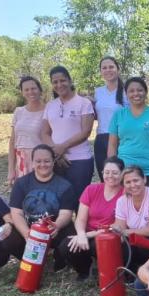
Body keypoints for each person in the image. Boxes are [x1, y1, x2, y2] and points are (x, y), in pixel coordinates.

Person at [2, 144, 76, 269]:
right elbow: (16, 213)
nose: (43, 164)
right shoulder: (21, 184)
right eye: (38, 161)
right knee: (7, 236)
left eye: (47, 161)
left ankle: (59, 257)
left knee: (71, 239)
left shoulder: (64, 185)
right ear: (32, 163)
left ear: (53, 162)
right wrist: (26, 233)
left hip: (55, 230)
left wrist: (57, 226)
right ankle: (31, 258)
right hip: (30, 230)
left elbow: (66, 214)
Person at [56, 156, 125, 281]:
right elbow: (80, 219)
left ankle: (106, 271)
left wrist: (87, 236)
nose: (110, 176)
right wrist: (81, 234)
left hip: (109, 235)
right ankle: (84, 271)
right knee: (66, 245)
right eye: (107, 172)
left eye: (115, 173)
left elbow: (117, 226)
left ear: (122, 174)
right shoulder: (91, 189)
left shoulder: (125, 194)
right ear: (102, 172)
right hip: (87, 233)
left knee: (98, 244)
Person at [40, 66, 95, 207]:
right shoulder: (50, 105)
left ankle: (80, 229)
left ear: (70, 81)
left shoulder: (84, 103)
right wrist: (55, 152)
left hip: (80, 161)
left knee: (79, 201)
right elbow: (44, 133)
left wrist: (62, 147)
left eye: (62, 80)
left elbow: (85, 132)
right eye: (55, 82)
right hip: (56, 160)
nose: (59, 85)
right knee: (58, 201)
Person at [108, 77, 149, 188]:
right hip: (126, 169)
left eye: (140, 90)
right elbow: (112, 145)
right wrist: (112, 168)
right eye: (131, 91)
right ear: (126, 94)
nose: (136, 94)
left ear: (146, 92)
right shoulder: (118, 115)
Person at [93, 56, 127, 180]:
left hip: (120, 138)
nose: (108, 70)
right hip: (101, 138)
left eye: (111, 67)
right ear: (101, 71)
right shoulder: (98, 92)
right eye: (104, 68)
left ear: (118, 69)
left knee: (122, 177)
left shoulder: (126, 91)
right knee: (106, 178)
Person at [8, 76, 45, 188]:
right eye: (26, 89)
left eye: (33, 88)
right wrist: (11, 170)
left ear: (40, 89)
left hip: (41, 160)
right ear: (22, 92)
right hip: (21, 160)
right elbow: (12, 141)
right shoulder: (19, 111)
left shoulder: (49, 110)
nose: (30, 92)